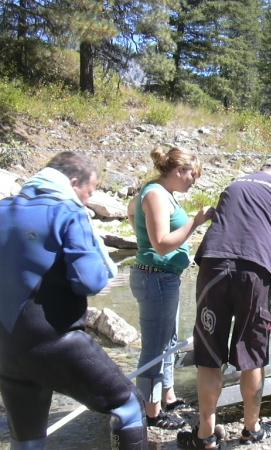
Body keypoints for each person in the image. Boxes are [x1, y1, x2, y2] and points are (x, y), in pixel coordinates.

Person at [0, 151, 148, 449]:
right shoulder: (66, 210)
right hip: (55, 340)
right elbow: (90, 280)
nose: (87, 200)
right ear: (73, 182)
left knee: (27, 438)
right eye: (89, 192)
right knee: (128, 406)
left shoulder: (3, 208)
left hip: (5, 349)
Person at [177, 157, 271, 449]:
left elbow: (243, 240)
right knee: (252, 354)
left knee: (209, 356)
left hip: (213, 265)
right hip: (253, 275)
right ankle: (251, 429)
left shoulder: (235, 185)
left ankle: (206, 436)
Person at [128, 145, 214, 429]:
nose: (194, 181)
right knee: (155, 346)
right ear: (179, 171)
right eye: (193, 175)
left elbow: (132, 215)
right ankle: (152, 413)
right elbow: (162, 244)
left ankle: (168, 396)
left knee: (170, 341)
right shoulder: (154, 194)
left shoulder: (161, 193)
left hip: (164, 278)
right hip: (155, 277)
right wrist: (195, 222)